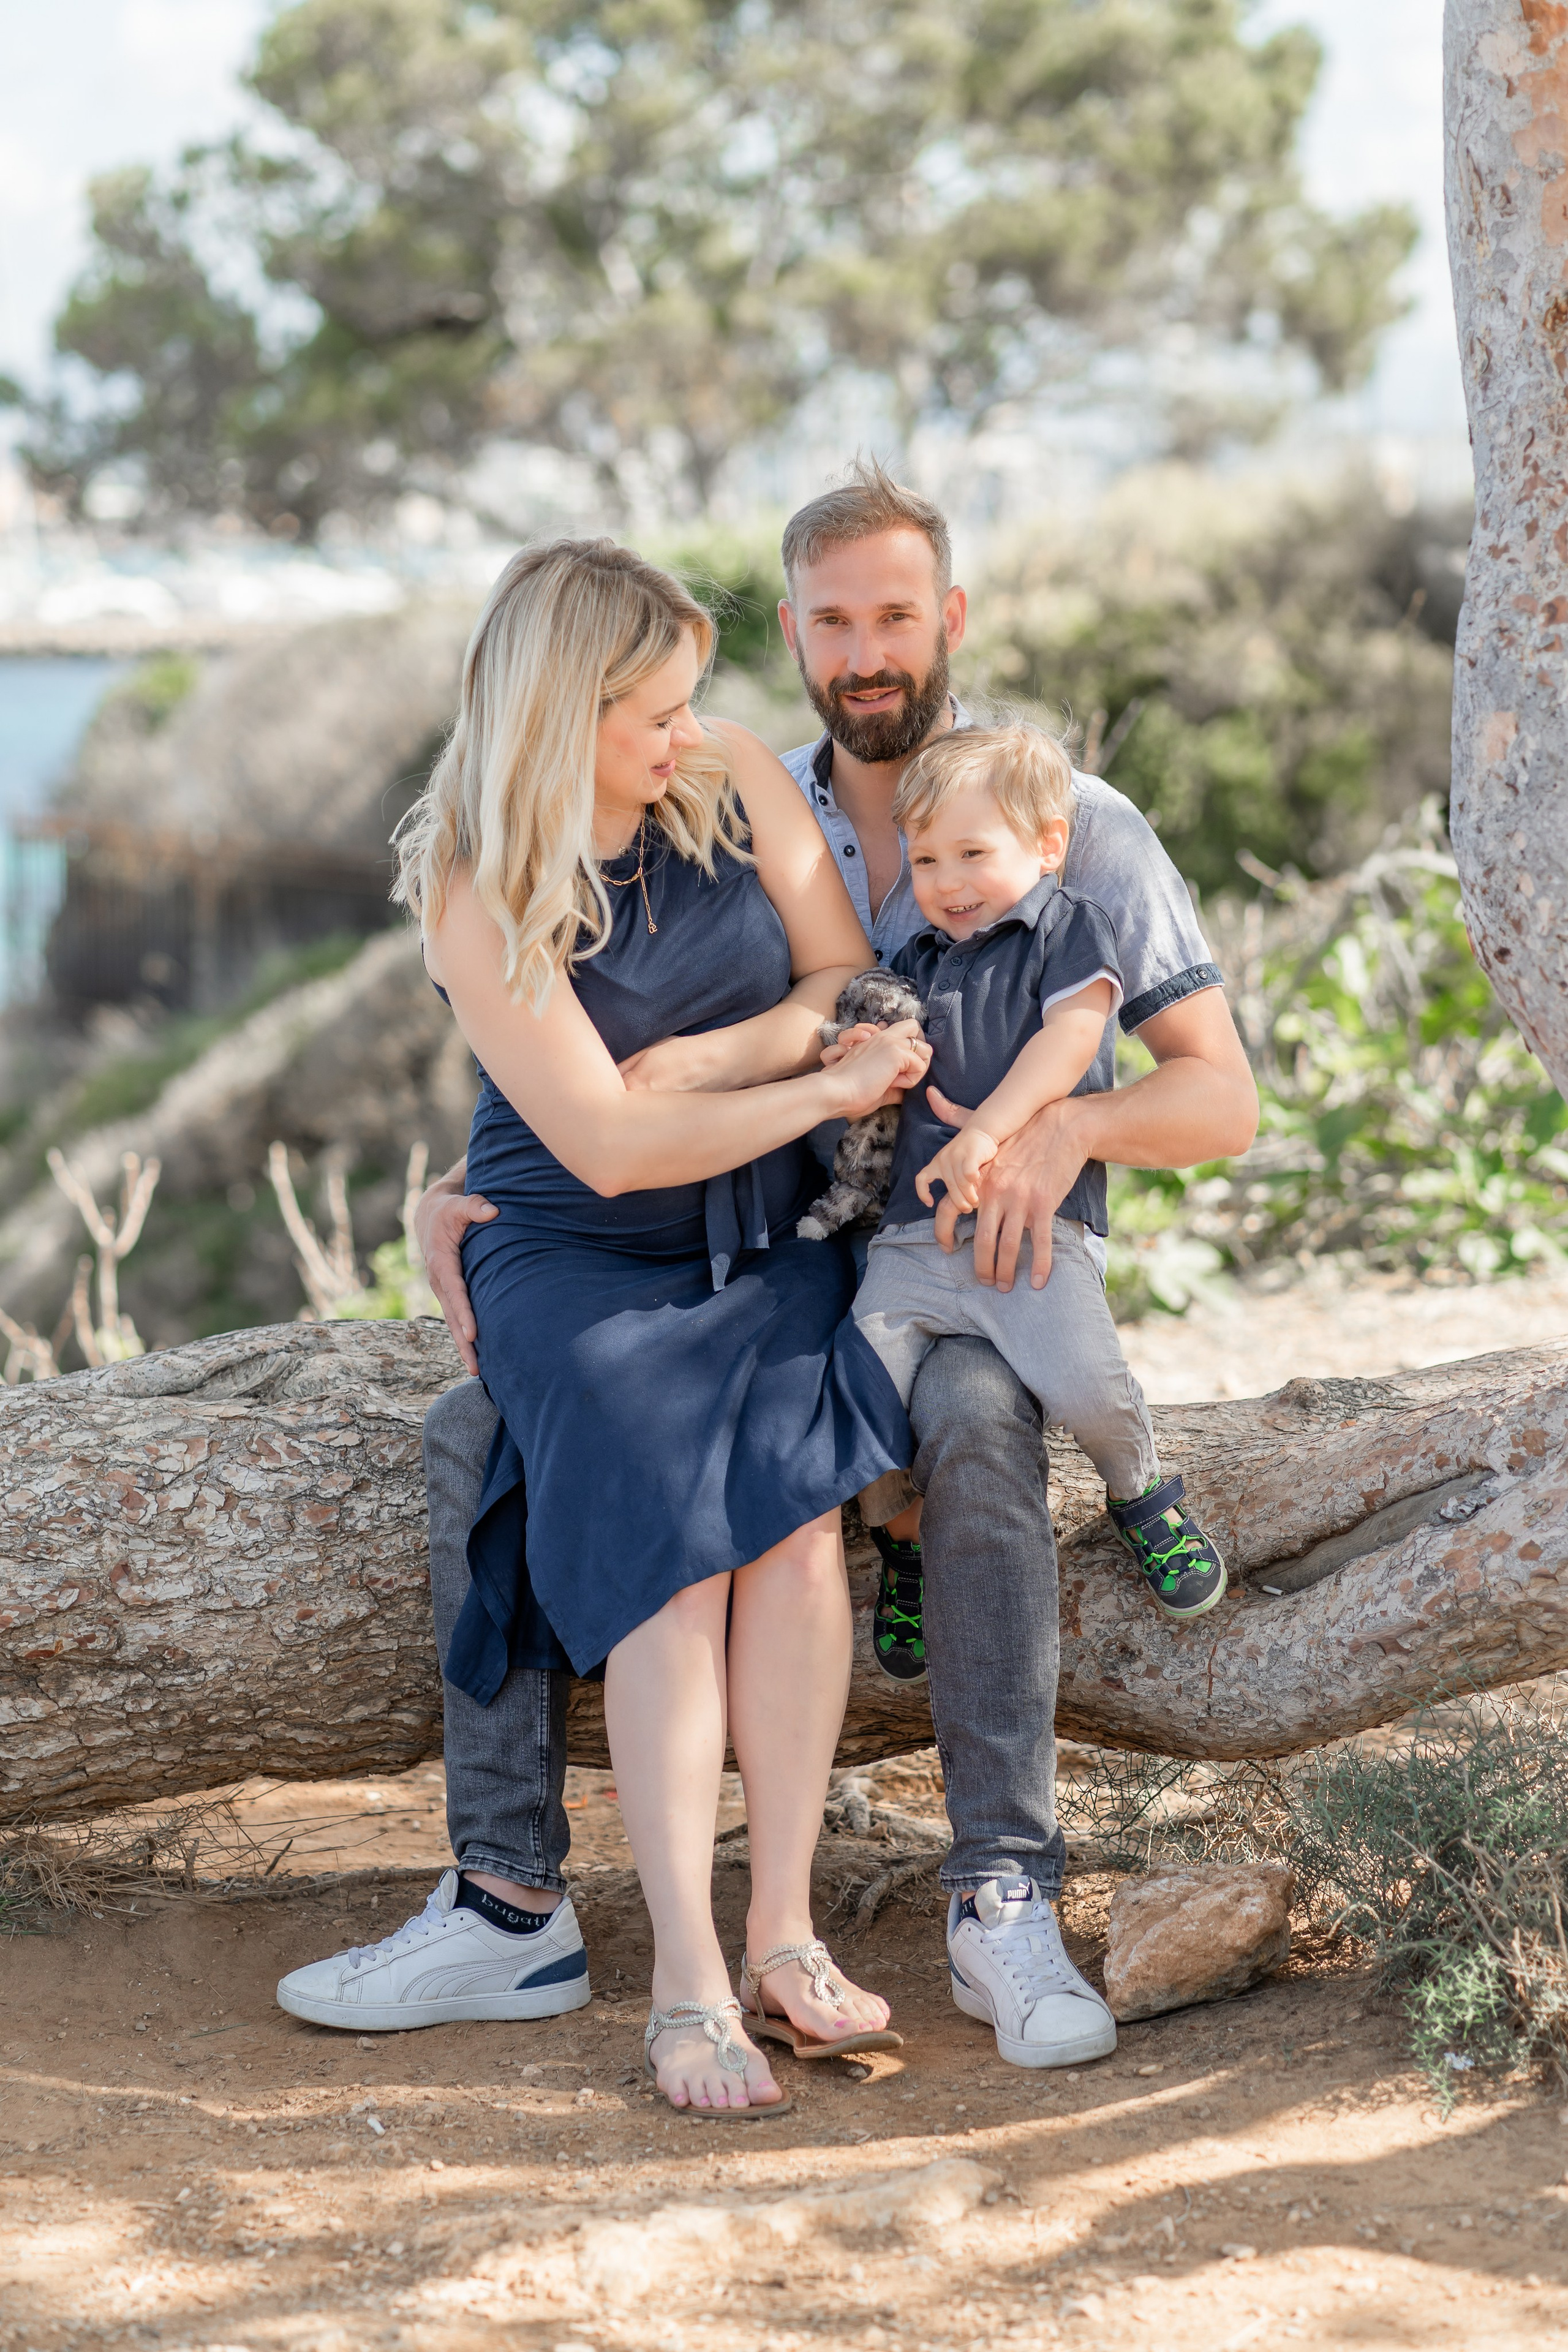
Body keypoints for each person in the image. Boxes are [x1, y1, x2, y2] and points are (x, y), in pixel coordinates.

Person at [281, 459, 1259, 2073]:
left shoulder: (1056, 814)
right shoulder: (748, 785)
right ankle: (514, 1905)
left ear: (951, 619)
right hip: (740, 1239)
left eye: (895, 615)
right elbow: (623, 1085)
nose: (863, 649)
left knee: (951, 1434)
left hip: (920, 1256)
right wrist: (475, 1180)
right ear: (797, 634)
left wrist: (1070, 1132)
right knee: (480, 1445)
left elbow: (1198, 1091)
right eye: (830, 620)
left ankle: (995, 1891)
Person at [277, 538, 928, 2114]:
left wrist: (733, 1067)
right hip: (569, 1252)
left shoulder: (727, 782)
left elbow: (841, 975)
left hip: (760, 1223)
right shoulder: (470, 878)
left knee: (784, 1523)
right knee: (666, 1533)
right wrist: (823, 1083)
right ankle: (682, 1982)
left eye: (689, 698)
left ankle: (781, 1934)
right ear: (556, 708)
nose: (682, 731)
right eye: (644, 708)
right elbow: (606, 1149)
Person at [848, 720, 1227, 1624]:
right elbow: (894, 1050)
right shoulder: (914, 959)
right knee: (859, 1398)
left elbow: (1069, 1043)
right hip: (912, 1237)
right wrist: (870, 1050)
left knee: (1086, 1381)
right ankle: (904, 1552)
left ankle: (1143, 1492)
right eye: (927, 861)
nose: (947, 883)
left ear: (1049, 846)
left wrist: (990, 1137)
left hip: (1032, 1234)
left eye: (973, 853)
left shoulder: (1068, 931)